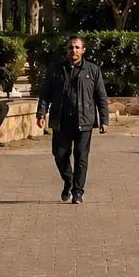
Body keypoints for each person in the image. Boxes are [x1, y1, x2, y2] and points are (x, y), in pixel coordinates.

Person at [35, 36, 109, 203]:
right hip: (61, 120)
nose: (73, 51)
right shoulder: (55, 69)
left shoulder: (92, 70)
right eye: (70, 47)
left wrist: (104, 119)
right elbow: (46, 93)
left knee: (81, 156)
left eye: (77, 47)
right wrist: (41, 113)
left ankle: (78, 191)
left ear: (83, 50)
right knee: (59, 154)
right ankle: (68, 181)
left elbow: (101, 97)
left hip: (84, 120)